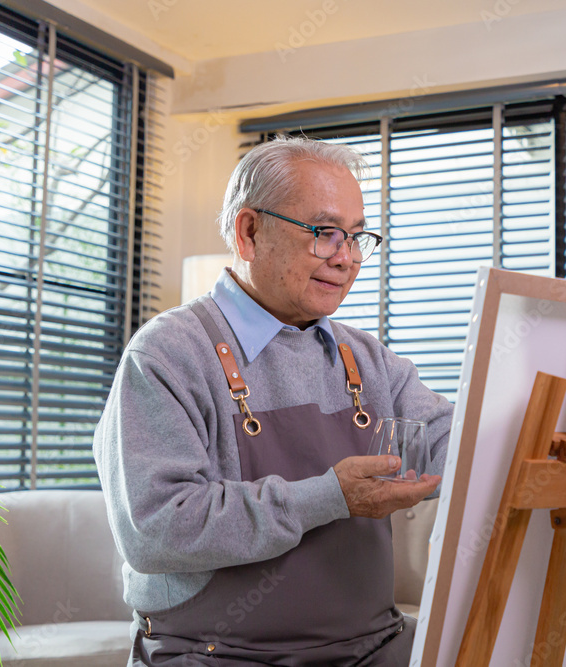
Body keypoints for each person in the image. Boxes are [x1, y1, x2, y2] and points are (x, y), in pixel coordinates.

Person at [93, 136, 454, 666]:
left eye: (357, 238)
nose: (346, 258)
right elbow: (156, 530)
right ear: (250, 231)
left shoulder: (369, 359)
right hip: (219, 654)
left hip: (373, 650)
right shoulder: (167, 353)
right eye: (325, 233)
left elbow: (453, 443)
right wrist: (330, 496)